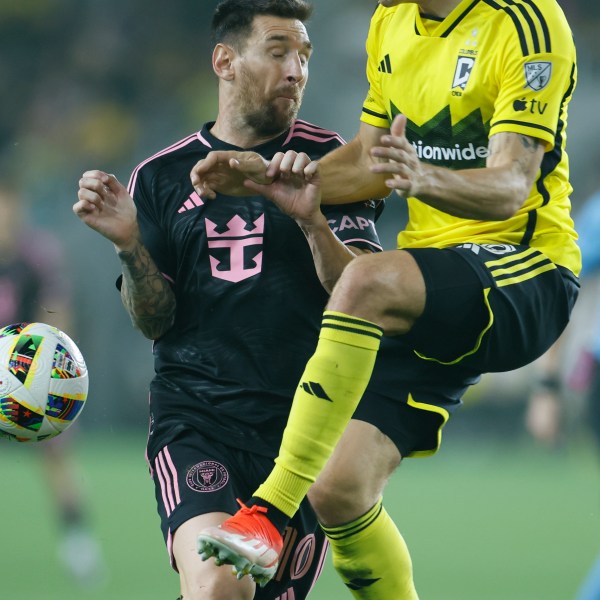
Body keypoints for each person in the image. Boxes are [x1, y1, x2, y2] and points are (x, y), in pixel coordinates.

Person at [191, 0, 581, 597]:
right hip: (436, 281)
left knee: (367, 280)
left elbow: (511, 186)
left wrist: (424, 177)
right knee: (338, 489)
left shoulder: (525, 22)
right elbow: (372, 161)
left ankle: (268, 513)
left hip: (527, 273)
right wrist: (266, 177)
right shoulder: (389, 21)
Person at [73, 1, 384, 599]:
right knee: (219, 587)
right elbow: (153, 320)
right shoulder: (161, 177)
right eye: (277, 52)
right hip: (198, 422)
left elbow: (365, 295)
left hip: (303, 438)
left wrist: (313, 221)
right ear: (225, 61)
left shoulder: (329, 162)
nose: (296, 70)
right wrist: (130, 246)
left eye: (304, 56)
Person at [0, 182, 107, 588]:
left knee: (57, 461)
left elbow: (58, 318)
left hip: (27, 382)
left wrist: (43, 374)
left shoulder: (36, 257)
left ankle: (80, 547)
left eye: (7, 207)